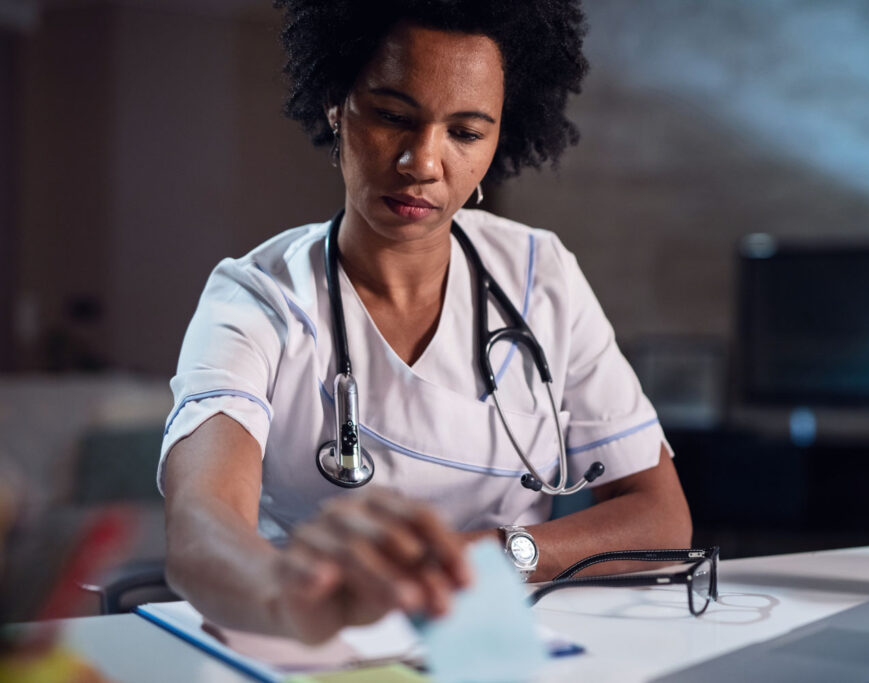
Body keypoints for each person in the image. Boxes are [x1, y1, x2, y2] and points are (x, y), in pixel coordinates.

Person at [161, 0, 693, 645]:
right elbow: (201, 523)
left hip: (511, 643)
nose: (423, 162)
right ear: (337, 106)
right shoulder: (257, 298)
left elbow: (660, 518)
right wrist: (290, 597)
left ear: (499, 138)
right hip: (312, 639)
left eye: (465, 133)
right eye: (392, 116)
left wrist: (488, 556)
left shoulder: (539, 272)